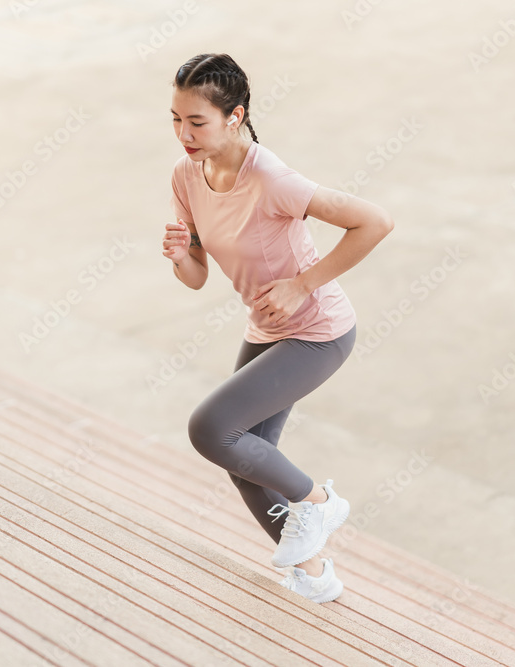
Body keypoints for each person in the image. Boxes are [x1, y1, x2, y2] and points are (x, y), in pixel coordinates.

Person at [162, 53, 394, 603]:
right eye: (176, 119)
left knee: (211, 428)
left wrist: (302, 284)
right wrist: (179, 257)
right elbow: (196, 277)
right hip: (268, 331)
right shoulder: (185, 175)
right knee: (242, 460)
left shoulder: (271, 178)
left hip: (318, 333)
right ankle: (314, 575)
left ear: (235, 117)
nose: (184, 134)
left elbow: (375, 221)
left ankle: (317, 502)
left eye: (198, 122)